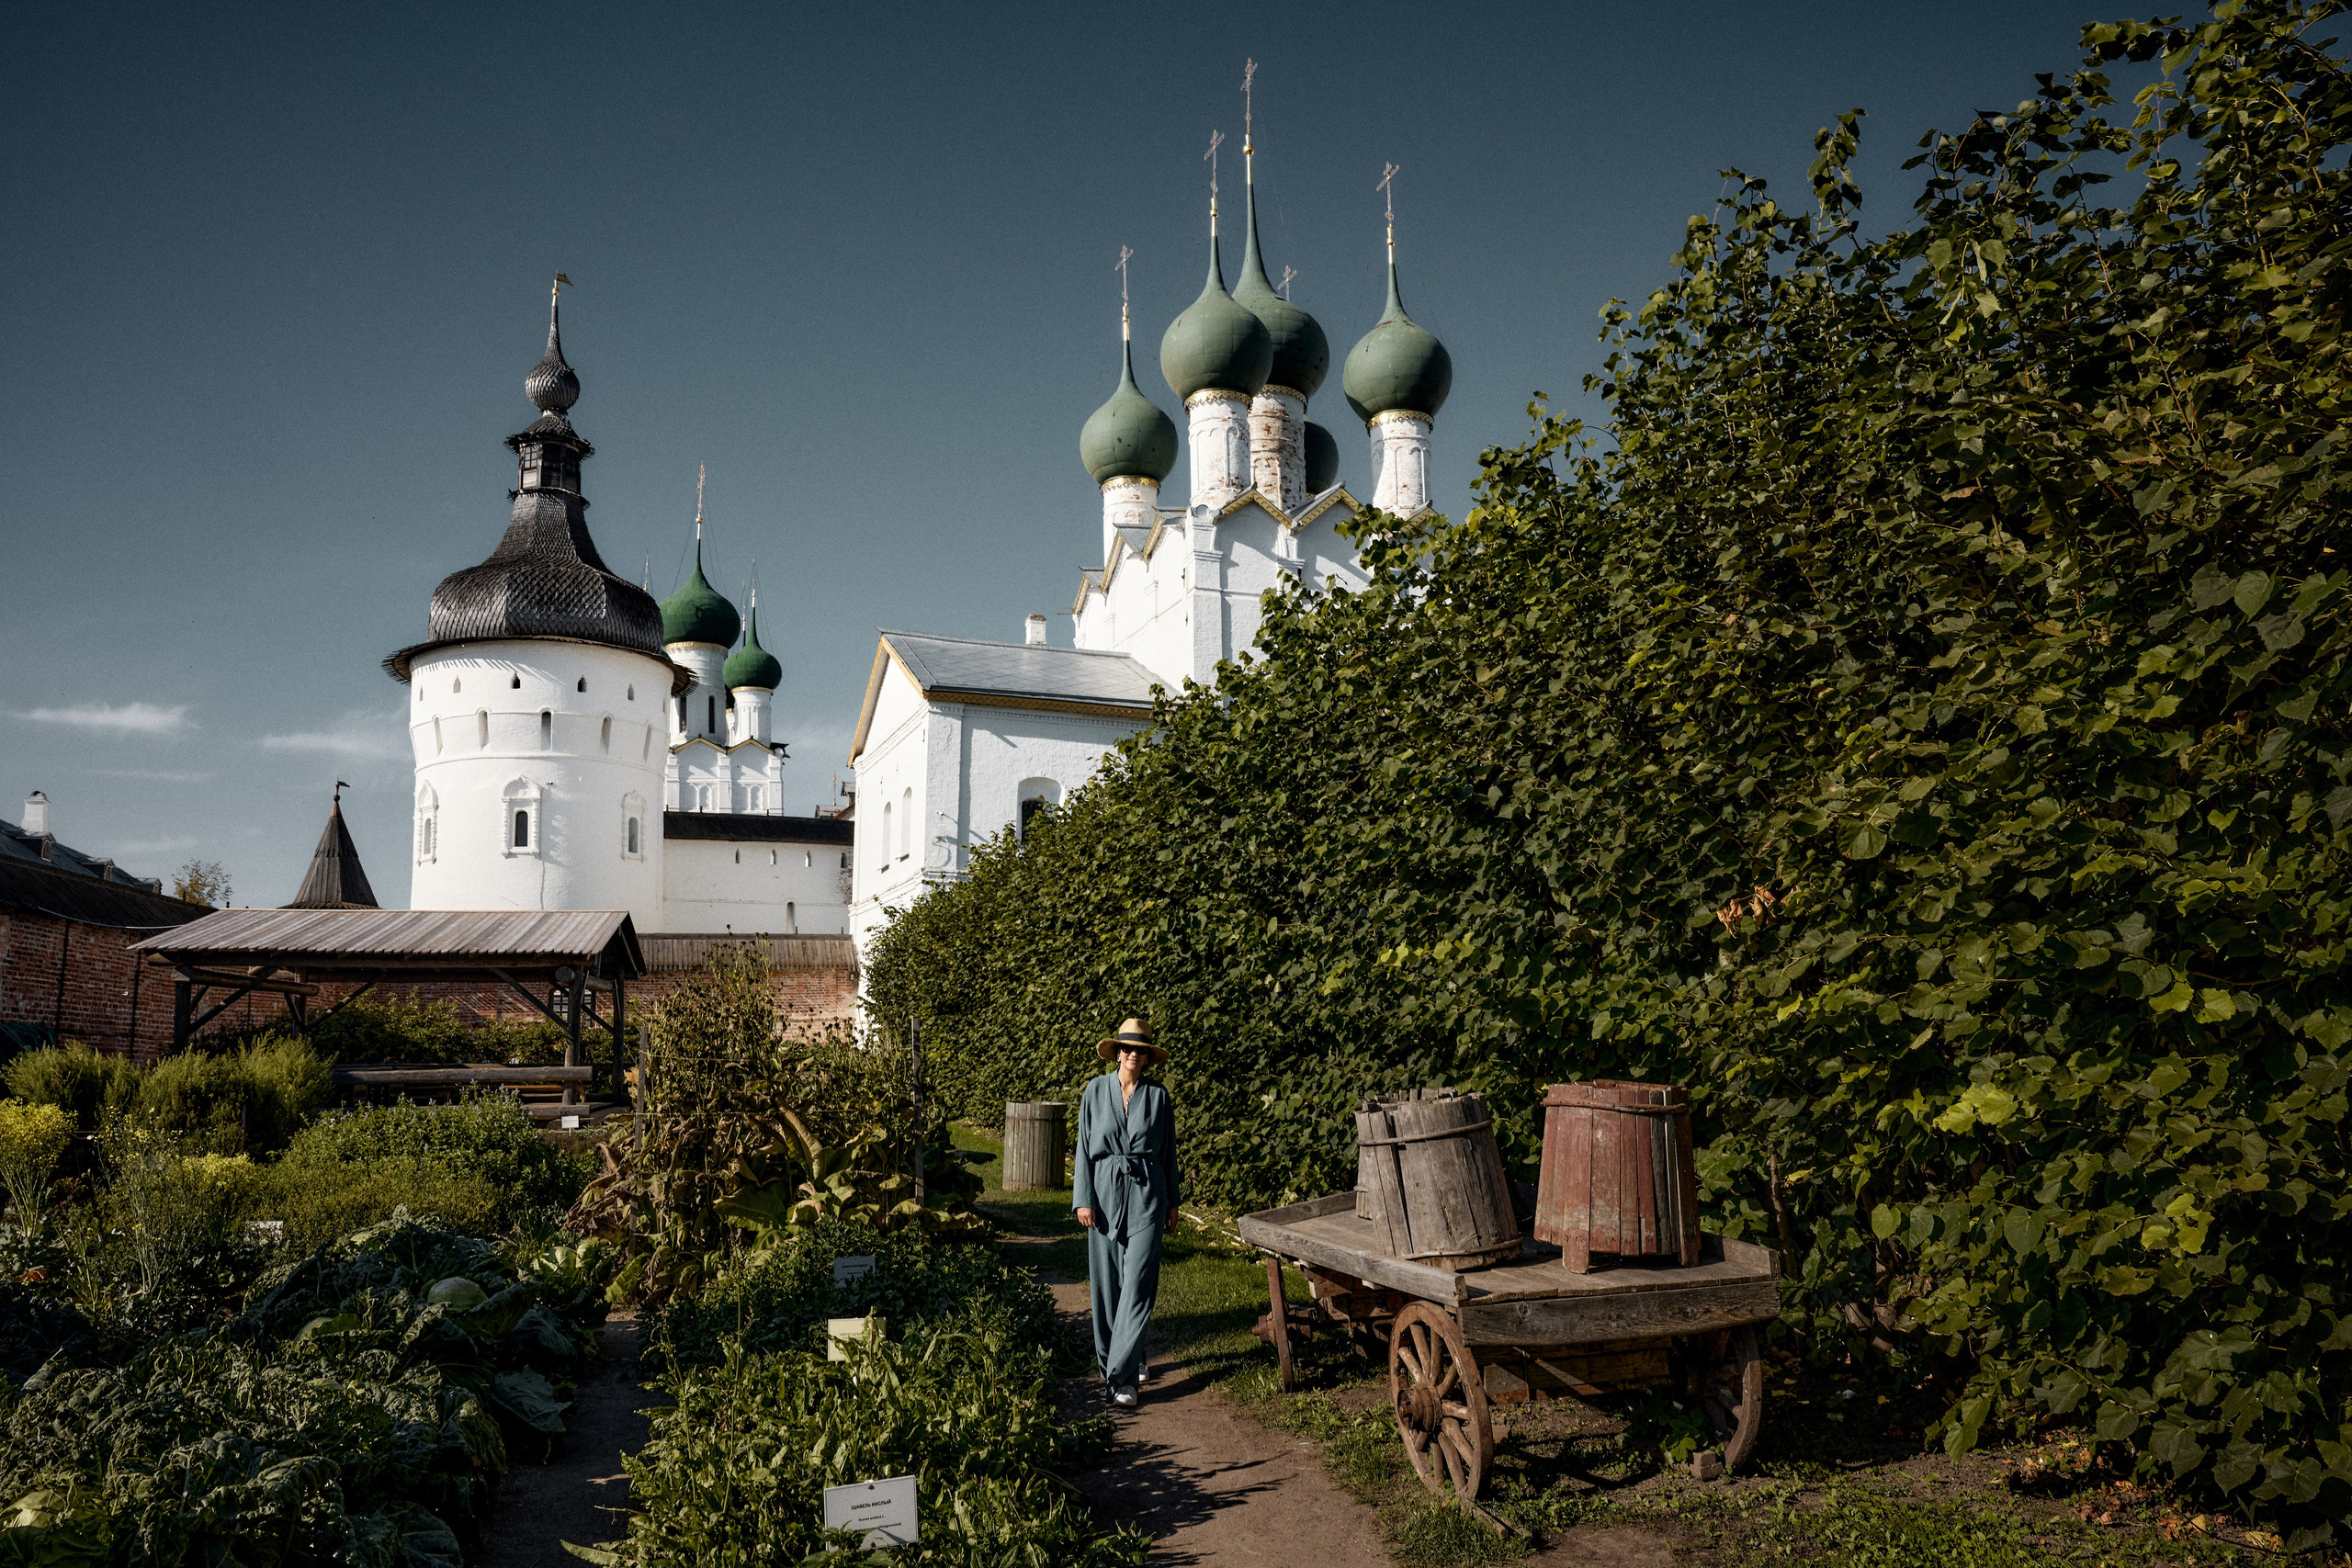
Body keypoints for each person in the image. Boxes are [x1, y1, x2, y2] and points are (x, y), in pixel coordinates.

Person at [1072, 1016, 1179, 1407]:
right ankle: (1119, 1360)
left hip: (1148, 1195)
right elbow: (1084, 1149)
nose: (1134, 1054)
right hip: (1102, 1195)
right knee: (1107, 1287)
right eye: (1128, 1048)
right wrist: (1082, 1197)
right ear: (1117, 1052)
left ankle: (1120, 1380)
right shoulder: (1094, 1092)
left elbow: (1168, 1152)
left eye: (1142, 1050)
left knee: (1137, 1285)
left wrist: (1173, 1202)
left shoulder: (1159, 1096)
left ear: (1148, 1057)